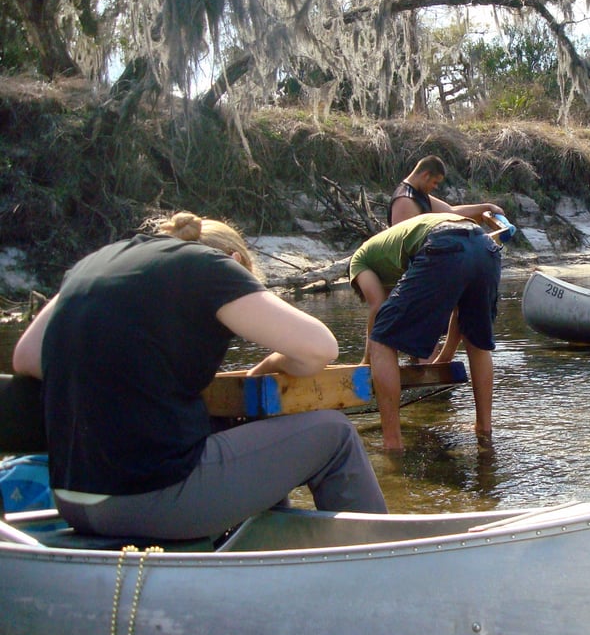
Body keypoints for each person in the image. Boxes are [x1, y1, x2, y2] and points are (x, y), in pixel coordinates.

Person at [11, 212, 387, 540]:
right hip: (151, 499)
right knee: (334, 434)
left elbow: (26, 357)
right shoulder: (211, 265)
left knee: (234, 432)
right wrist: (273, 364)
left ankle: (259, 553)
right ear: (236, 260)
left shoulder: (97, 261)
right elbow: (321, 348)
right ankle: (380, 565)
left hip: (73, 498)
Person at [350, 212, 501, 451]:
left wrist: (367, 363)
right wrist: (445, 358)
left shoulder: (359, 261)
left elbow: (377, 304)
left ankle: (392, 442)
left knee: (380, 339)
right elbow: (459, 310)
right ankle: (484, 428)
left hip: (444, 243)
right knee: (478, 343)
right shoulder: (393, 247)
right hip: (484, 244)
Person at [388, 155, 505, 364]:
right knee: (425, 321)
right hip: (419, 270)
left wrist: (485, 208)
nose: (434, 187)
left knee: (459, 304)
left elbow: (451, 212)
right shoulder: (405, 201)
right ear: (425, 175)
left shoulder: (421, 195)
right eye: (434, 182)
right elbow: (401, 243)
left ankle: (439, 363)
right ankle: (427, 369)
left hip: (432, 265)